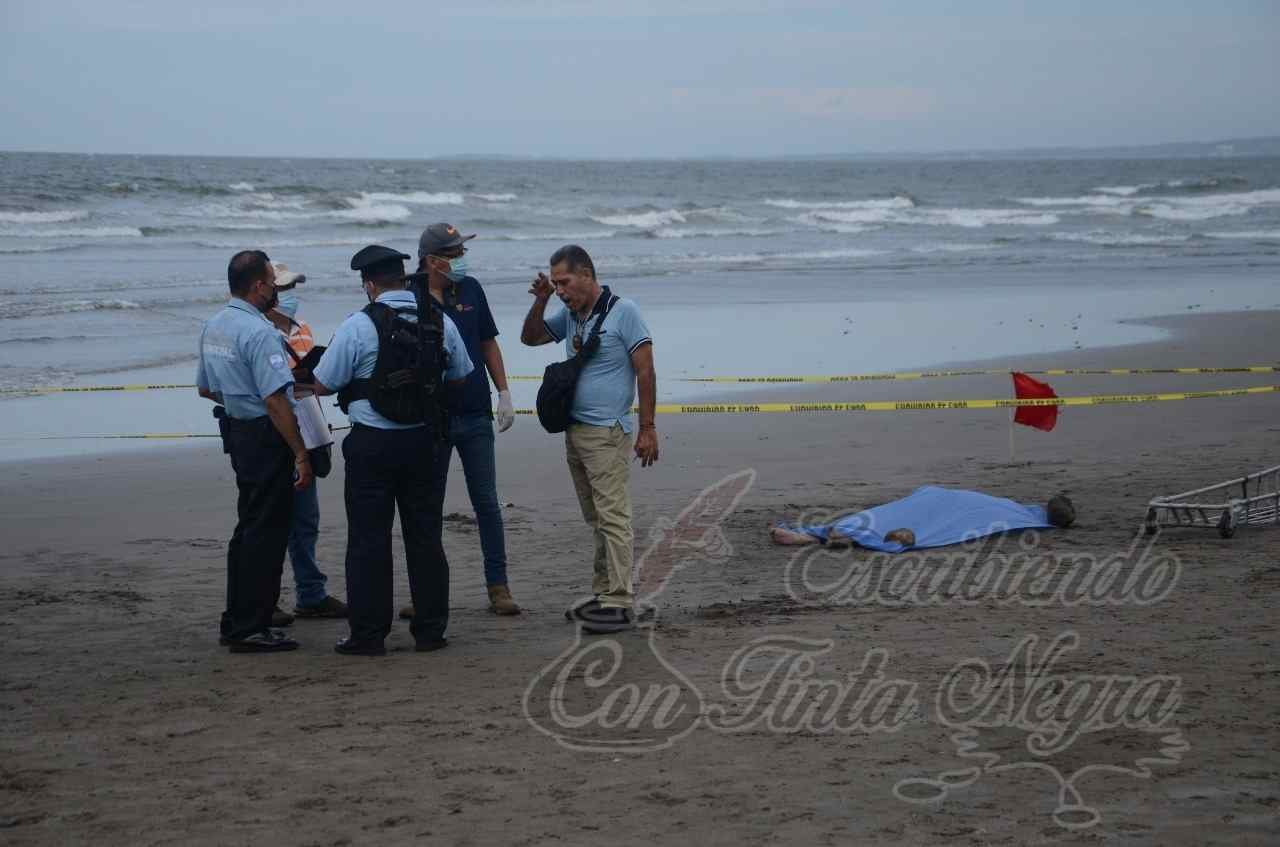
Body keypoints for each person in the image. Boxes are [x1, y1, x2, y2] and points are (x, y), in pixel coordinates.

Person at [309, 245, 473, 656]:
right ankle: (431, 630)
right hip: (425, 442)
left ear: (368, 285)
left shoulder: (358, 325)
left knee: (368, 539)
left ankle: (368, 634)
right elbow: (461, 374)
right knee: (425, 537)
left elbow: (324, 382)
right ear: (403, 278)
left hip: (373, 444)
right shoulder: (439, 320)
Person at [520, 244, 659, 634]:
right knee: (596, 517)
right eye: (555, 283)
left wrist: (647, 428)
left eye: (564, 282)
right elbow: (530, 338)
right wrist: (543, 301)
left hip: (607, 431)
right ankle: (603, 593)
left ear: (587, 274)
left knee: (613, 515)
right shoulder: (570, 313)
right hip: (575, 429)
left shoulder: (624, 311)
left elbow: (646, 372)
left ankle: (619, 600)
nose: (560, 289)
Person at [397, 223, 519, 621]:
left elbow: (487, 342)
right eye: (453, 254)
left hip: (474, 414)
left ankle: (498, 586)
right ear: (432, 260)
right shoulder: (408, 296)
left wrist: (503, 392)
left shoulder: (471, 289)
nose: (460, 260)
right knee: (426, 506)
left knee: (486, 502)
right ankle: (425, 591)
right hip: (431, 419)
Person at [196, 250, 313, 653]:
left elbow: (206, 387)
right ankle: (252, 625)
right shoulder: (260, 332)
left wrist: (238, 397)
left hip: (237, 431)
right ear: (258, 286)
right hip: (265, 434)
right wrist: (299, 451)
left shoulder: (214, 326)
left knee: (247, 528)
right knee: (266, 531)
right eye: (272, 283)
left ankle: (238, 618)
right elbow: (277, 401)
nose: (275, 292)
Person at [261, 264, 348, 622]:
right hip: (271, 428)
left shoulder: (301, 328)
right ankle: (266, 599)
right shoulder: (257, 329)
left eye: (293, 287)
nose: (289, 295)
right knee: (271, 518)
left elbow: (310, 378)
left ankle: (310, 592)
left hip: (307, 422)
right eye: (283, 288)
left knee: (306, 516)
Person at [770, 488, 1076, 550]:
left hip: (938, 502)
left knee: (904, 513)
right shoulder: (1020, 512)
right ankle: (835, 534)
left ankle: (832, 533)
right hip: (939, 503)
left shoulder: (1015, 510)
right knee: (911, 514)